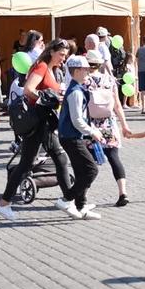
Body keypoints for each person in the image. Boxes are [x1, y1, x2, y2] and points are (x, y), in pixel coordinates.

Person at [0, 39, 74, 220]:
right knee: (57, 159)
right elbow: (28, 90)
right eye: (61, 54)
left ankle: (4, 203)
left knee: (30, 163)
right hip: (38, 122)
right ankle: (70, 201)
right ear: (51, 51)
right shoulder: (42, 67)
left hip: (43, 122)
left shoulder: (52, 70)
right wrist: (49, 99)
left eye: (65, 55)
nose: (63, 58)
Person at [56, 54, 106, 219]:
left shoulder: (75, 88)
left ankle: (81, 205)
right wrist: (93, 132)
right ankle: (67, 199)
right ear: (76, 71)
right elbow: (77, 119)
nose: (88, 72)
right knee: (91, 170)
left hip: (71, 135)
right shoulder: (75, 92)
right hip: (71, 136)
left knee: (81, 170)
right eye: (85, 69)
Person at [84, 50, 132, 206]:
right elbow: (117, 105)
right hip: (109, 124)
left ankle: (82, 195)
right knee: (114, 158)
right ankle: (122, 192)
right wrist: (124, 125)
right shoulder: (110, 80)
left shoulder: (85, 81)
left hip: (91, 125)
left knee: (88, 162)